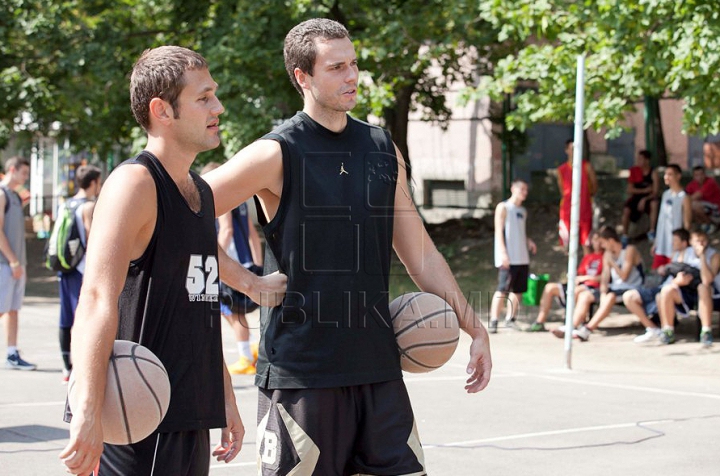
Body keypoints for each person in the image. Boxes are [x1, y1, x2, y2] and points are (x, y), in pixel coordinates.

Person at [202, 18, 492, 475]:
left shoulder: (380, 146)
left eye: (353, 63)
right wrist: (248, 283)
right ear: (303, 76)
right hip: (303, 375)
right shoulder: (276, 153)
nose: (352, 76)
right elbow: (180, 212)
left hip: (378, 369)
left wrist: (474, 326)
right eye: (336, 67)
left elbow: (419, 252)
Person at [59, 46, 287, 476]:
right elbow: (94, 298)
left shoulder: (199, 192)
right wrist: (87, 408)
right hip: (132, 410)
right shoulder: (134, 184)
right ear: (162, 110)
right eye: (203, 98)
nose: (218, 106)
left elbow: (196, 303)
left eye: (214, 94)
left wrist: (223, 397)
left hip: (186, 412)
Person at [201, 161, 263, 375]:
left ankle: (246, 356)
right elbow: (252, 234)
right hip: (245, 261)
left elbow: (226, 230)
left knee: (232, 313)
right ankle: (253, 350)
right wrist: (258, 264)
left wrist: (211, 259)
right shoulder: (241, 199)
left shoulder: (220, 195)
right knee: (237, 312)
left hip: (229, 262)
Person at [552, 226, 644, 341]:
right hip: (615, 288)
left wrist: (612, 263)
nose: (602, 246)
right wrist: (603, 292)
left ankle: (587, 330)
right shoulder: (607, 254)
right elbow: (605, 277)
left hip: (632, 287)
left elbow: (624, 276)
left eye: (603, 243)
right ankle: (572, 326)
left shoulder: (629, 250)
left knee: (610, 297)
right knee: (585, 295)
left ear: (610, 241)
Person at [57, 165, 102, 383]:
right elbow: (93, 238)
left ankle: (67, 367)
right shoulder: (88, 207)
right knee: (84, 317)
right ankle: (82, 367)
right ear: (93, 183)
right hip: (82, 270)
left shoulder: (66, 204)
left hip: (65, 268)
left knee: (66, 318)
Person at [625, 228, 697, 344]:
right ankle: (653, 329)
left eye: (675, 240)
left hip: (677, 290)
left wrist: (676, 280)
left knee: (664, 292)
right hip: (662, 286)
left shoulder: (691, 254)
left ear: (684, 243)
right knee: (629, 297)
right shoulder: (675, 254)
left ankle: (667, 331)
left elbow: (688, 277)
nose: (672, 243)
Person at [0, 156, 36, 370]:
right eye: (23, 173)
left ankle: (12, 352)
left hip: (15, 264)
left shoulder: (15, 195)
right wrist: (13, 261)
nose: (26, 177)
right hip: (4, 263)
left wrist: (20, 264)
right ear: (12, 169)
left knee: (13, 309)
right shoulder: (2, 194)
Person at [528, 230, 603, 332]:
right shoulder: (588, 257)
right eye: (594, 240)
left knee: (577, 291)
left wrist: (585, 278)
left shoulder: (605, 257)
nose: (596, 243)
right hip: (579, 284)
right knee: (549, 288)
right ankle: (540, 322)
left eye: (598, 240)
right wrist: (575, 278)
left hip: (592, 287)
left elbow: (605, 277)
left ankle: (574, 323)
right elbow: (580, 273)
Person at [490, 179, 536, 333]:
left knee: (518, 291)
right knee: (502, 289)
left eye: (526, 190)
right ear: (513, 189)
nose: (524, 193)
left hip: (522, 257)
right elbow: (498, 231)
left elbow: (520, 232)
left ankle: (511, 319)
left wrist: (529, 241)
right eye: (522, 189)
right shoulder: (503, 207)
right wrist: (503, 252)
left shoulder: (522, 211)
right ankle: (494, 321)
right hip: (508, 257)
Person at [557, 138, 597, 255]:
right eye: (572, 149)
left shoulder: (586, 166)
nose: (574, 151)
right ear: (566, 151)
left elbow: (594, 185)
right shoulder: (561, 169)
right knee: (566, 243)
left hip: (584, 208)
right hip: (567, 209)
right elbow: (562, 190)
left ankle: (587, 269)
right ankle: (570, 271)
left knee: (586, 242)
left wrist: (586, 197)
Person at [653, 164, 691, 270]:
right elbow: (661, 220)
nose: (666, 177)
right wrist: (656, 242)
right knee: (657, 272)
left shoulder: (684, 196)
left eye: (670, 174)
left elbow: (687, 223)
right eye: (665, 174)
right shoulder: (665, 194)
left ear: (678, 176)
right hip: (661, 242)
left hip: (674, 244)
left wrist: (684, 243)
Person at [621, 149, 659, 244]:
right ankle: (625, 235)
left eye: (641, 159)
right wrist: (644, 190)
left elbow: (655, 191)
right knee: (626, 210)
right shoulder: (634, 171)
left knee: (654, 204)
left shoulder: (653, 173)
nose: (638, 161)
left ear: (647, 160)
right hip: (636, 197)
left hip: (649, 198)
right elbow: (630, 189)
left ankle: (651, 231)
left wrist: (645, 199)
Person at [691, 229, 719, 347]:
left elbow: (707, 280)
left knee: (703, 287)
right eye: (698, 241)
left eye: (703, 240)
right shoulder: (684, 253)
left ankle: (706, 331)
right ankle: (667, 330)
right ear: (690, 242)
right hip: (689, 292)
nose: (701, 243)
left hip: (714, 293)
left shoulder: (714, 255)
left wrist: (702, 256)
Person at [685, 166, 720, 233]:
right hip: (704, 207)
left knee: (692, 205)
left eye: (701, 174)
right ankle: (703, 225)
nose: (699, 177)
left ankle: (711, 225)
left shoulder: (710, 182)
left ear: (704, 174)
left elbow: (696, 196)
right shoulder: (692, 184)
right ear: (693, 176)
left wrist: (685, 201)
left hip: (716, 209)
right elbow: (684, 195)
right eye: (696, 175)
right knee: (689, 206)